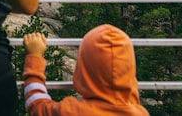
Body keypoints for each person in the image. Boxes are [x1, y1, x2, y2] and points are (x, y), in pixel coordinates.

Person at [21, 26, 150, 116]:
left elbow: (36, 105)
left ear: (83, 69)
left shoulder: (72, 111)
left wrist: (35, 57)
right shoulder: (140, 113)